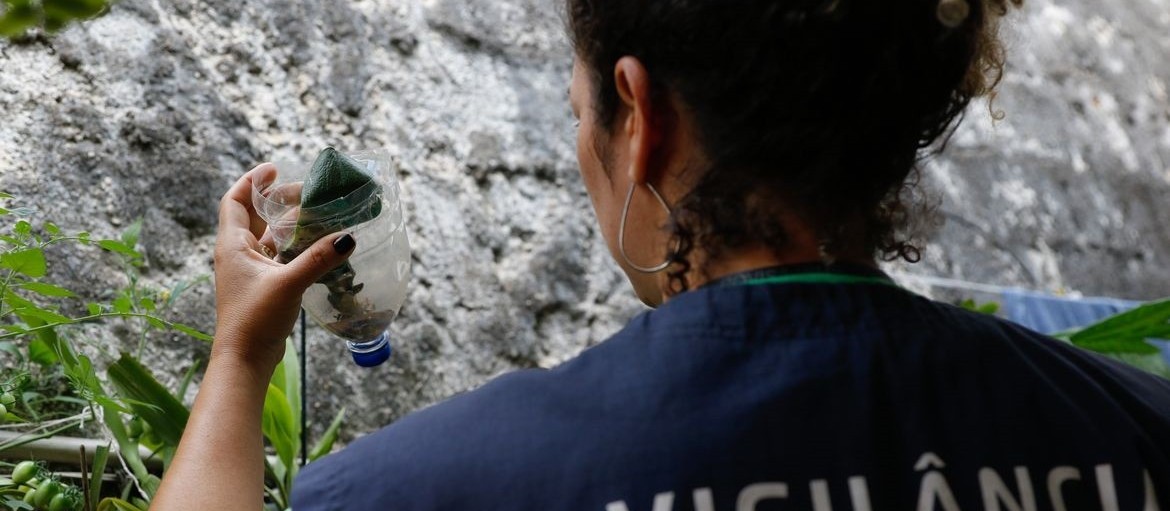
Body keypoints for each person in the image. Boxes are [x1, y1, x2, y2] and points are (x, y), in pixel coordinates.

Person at [154, 0, 1170, 509]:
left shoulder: (428, 486)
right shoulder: (1139, 429)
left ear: (641, 118)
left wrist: (240, 357)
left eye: (579, 109)